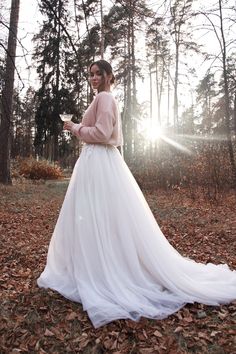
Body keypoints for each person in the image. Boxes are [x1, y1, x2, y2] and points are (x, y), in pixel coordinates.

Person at [37, 59, 236, 329]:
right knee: (97, 215)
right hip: (96, 162)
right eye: (91, 74)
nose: (93, 78)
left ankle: (108, 270)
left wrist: (75, 129)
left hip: (100, 163)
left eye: (98, 74)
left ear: (108, 75)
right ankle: (97, 265)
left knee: (100, 215)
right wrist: (79, 130)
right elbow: (98, 133)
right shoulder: (102, 98)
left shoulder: (106, 98)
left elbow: (102, 132)